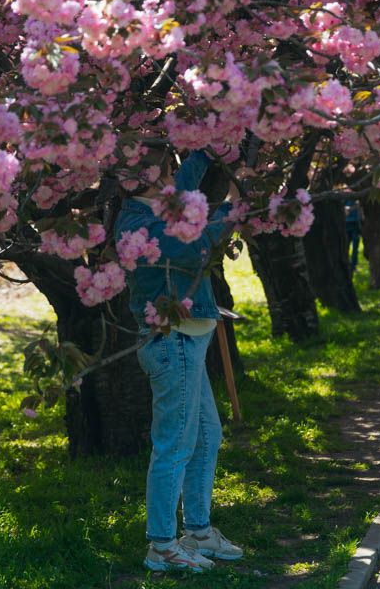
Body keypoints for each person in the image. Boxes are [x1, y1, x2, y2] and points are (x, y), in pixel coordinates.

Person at [114, 147, 245, 574]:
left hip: (191, 342)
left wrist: (210, 147)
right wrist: (236, 209)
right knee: (175, 444)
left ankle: (199, 530)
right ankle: (162, 544)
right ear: (147, 177)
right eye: (167, 170)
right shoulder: (142, 225)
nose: (175, 177)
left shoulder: (162, 202)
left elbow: (189, 176)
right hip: (173, 345)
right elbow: (198, 245)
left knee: (207, 437)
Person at [344, 200, 362, 270]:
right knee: (346, 246)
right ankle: (347, 263)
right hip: (347, 224)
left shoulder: (357, 199)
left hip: (355, 225)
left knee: (355, 247)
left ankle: (353, 265)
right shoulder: (345, 198)